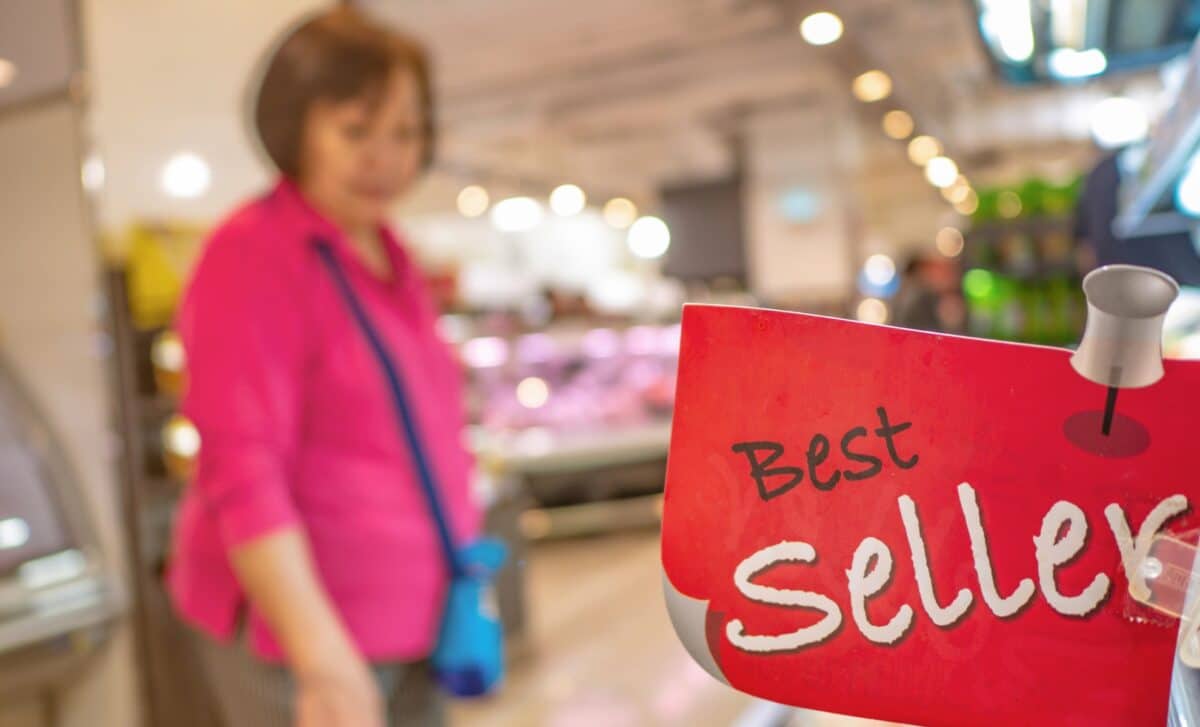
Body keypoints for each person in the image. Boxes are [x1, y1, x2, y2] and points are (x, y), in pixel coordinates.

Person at [166, 8, 479, 727]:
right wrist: (321, 654)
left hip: (417, 622)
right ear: (296, 125)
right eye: (355, 130)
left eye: (405, 132)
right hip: (309, 644)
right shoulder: (253, 255)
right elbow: (240, 466)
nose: (385, 157)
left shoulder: (390, 257)